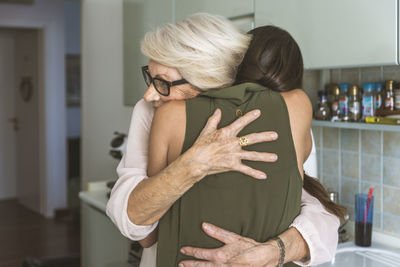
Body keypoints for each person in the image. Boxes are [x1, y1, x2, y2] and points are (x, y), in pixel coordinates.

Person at [106, 13, 342, 267]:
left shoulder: (286, 114)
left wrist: (274, 252)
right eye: (149, 77)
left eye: (163, 83)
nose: (149, 94)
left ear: (206, 78)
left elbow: (317, 213)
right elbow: (140, 227)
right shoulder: (152, 110)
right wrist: (191, 165)